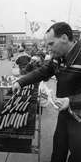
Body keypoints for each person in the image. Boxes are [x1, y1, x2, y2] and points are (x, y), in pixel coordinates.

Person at [13, 22, 81, 162]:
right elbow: (44, 71)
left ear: (63, 38)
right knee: (58, 149)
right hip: (64, 113)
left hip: (79, 117)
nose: (48, 50)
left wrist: (71, 101)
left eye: (51, 44)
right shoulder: (57, 57)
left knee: (77, 154)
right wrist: (21, 81)